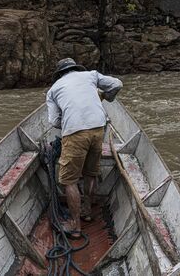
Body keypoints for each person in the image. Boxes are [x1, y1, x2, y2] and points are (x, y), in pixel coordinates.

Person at [46, 58, 123, 237]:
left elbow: (53, 121)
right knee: (90, 173)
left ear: (59, 74)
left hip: (74, 133)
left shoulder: (53, 90)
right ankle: (87, 211)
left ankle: (75, 226)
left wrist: (68, 122)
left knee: (69, 181)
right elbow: (117, 84)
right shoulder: (91, 75)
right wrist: (107, 98)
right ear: (75, 69)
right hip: (98, 129)